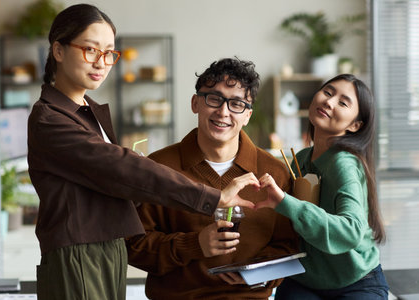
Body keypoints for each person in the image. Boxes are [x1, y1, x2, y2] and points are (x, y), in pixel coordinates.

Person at [27, 5, 259, 300]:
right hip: (78, 250)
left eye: (109, 53)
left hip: (106, 247)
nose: (101, 62)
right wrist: (212, 198)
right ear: (58, 50)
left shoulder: (87, 112)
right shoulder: (50, 118)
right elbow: (119, 168)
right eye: (90, 50)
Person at [126, 58, 298, 299]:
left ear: (248, 115)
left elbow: (290, 246)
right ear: (196, 103)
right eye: (214, 99)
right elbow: (134, 246)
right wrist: (195, 244)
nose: (223, 112)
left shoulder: (275, 172)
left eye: (236, 104)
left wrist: (255, 275)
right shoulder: (158, 167)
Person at [256, 74, 390, 299]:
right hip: (304, 280)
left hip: (357, 281)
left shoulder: (343, 164)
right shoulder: (301, 158)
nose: (329, 101)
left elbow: (351, 230)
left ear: (356, 125)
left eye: (343, 102)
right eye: (328, 92)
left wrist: (284, 202)